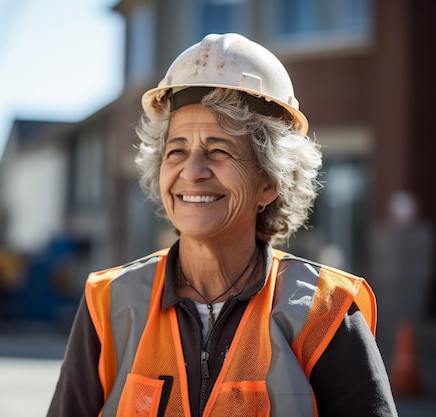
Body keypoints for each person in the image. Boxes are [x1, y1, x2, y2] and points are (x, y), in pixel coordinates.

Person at [47, 33, 398, 417]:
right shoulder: (108, 303)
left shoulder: (326, 312)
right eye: (176, 150)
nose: (192, 172)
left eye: (219, 150)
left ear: (270, 182)